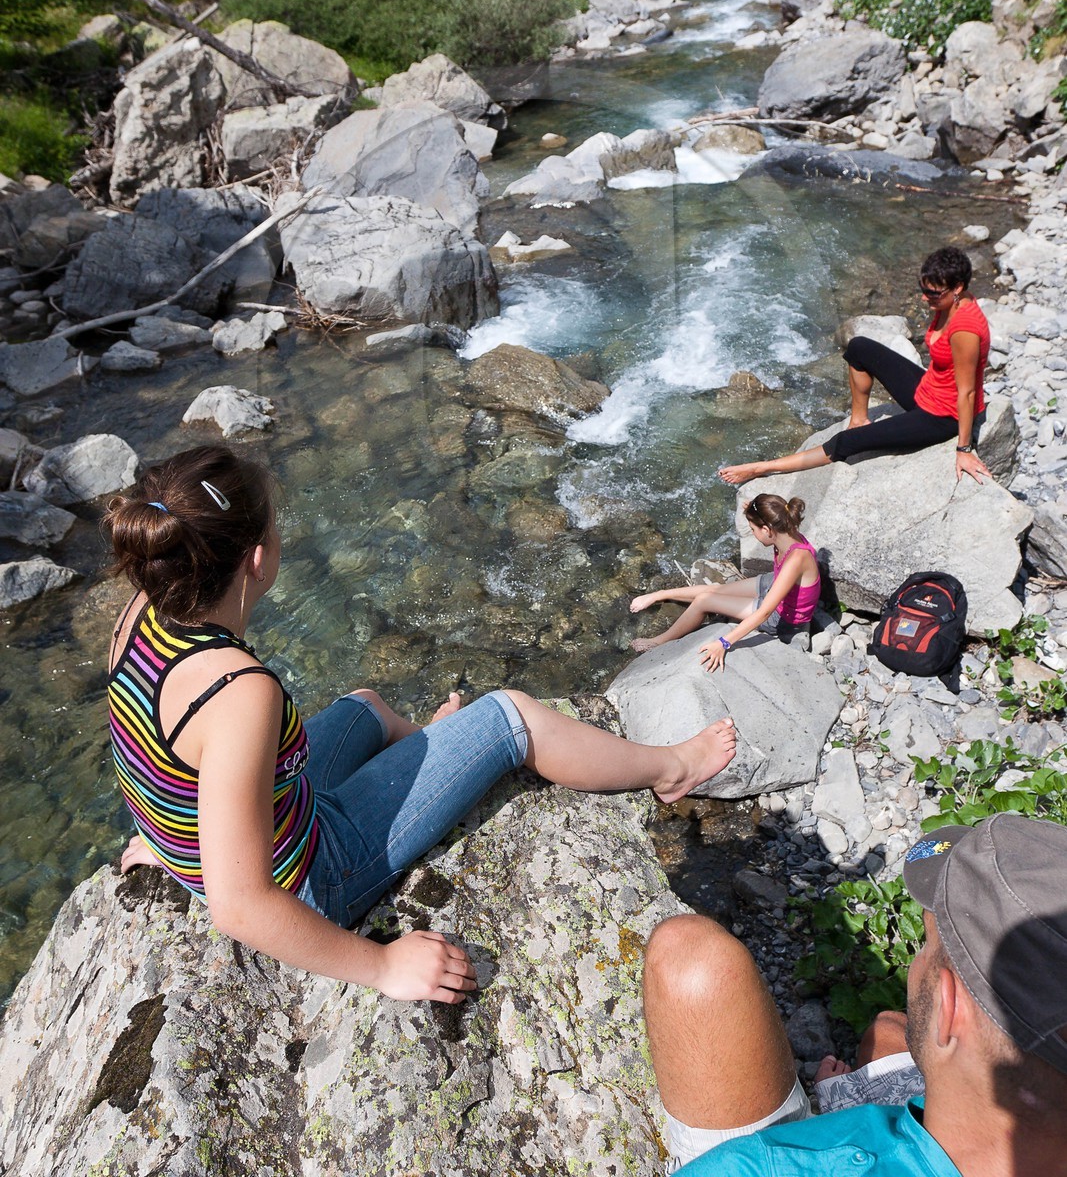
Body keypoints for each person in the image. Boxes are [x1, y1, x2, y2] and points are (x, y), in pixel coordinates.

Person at [105, 444, 738, 1004]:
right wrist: (382, 965)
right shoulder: (239, 691)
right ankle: (672, 768)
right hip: (314, 876)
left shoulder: (137, 617)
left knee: (366, 707)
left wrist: (169, 843)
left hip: (270, 817)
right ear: (258, 558)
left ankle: (439, 751)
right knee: (510, 715)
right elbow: (239, 904)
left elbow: (151, 747)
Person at [642, 812, 1067, 1176]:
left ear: (949, 1006)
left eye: (928, 945)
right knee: (888, 1031)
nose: (918, 960)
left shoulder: (749, 1166)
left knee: (689, 958)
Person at [719, 247, 993, 490]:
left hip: (944, 416)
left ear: (957, 288)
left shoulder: (964, 330)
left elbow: (967, 393)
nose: (925, 298)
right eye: (923, 290)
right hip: (928, 390)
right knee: (860, 347)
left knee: (845, 443)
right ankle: (859, 418)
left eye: (932, 293)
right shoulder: (951, 301)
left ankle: (762, 468)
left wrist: (964, 448)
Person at [629, 495, 821, 670]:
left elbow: (765, 612)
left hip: (783, 617)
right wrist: (753, 508)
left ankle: (659, 641)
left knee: (704, 600)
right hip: (778, 584)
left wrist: (724, 642)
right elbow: (772, 510)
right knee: (719, 590)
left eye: (753, 529)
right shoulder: (786, 527)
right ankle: (661, 594)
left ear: (766, 529)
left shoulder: (796, 559)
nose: (752, 534)